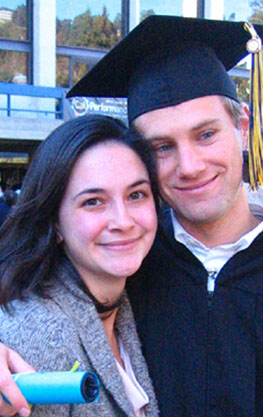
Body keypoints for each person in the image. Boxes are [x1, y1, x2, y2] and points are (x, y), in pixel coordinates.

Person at [2, 15, 263, 417]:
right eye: (161, 147)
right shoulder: (130, 261)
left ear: (242, 126)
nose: (190, 165)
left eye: (206, 134)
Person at [0, 114, 160, 417]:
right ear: (55, 222)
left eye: (136, 195)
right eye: (93, 202)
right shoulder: (37, 337)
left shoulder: (130, 306)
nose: (123, 221)